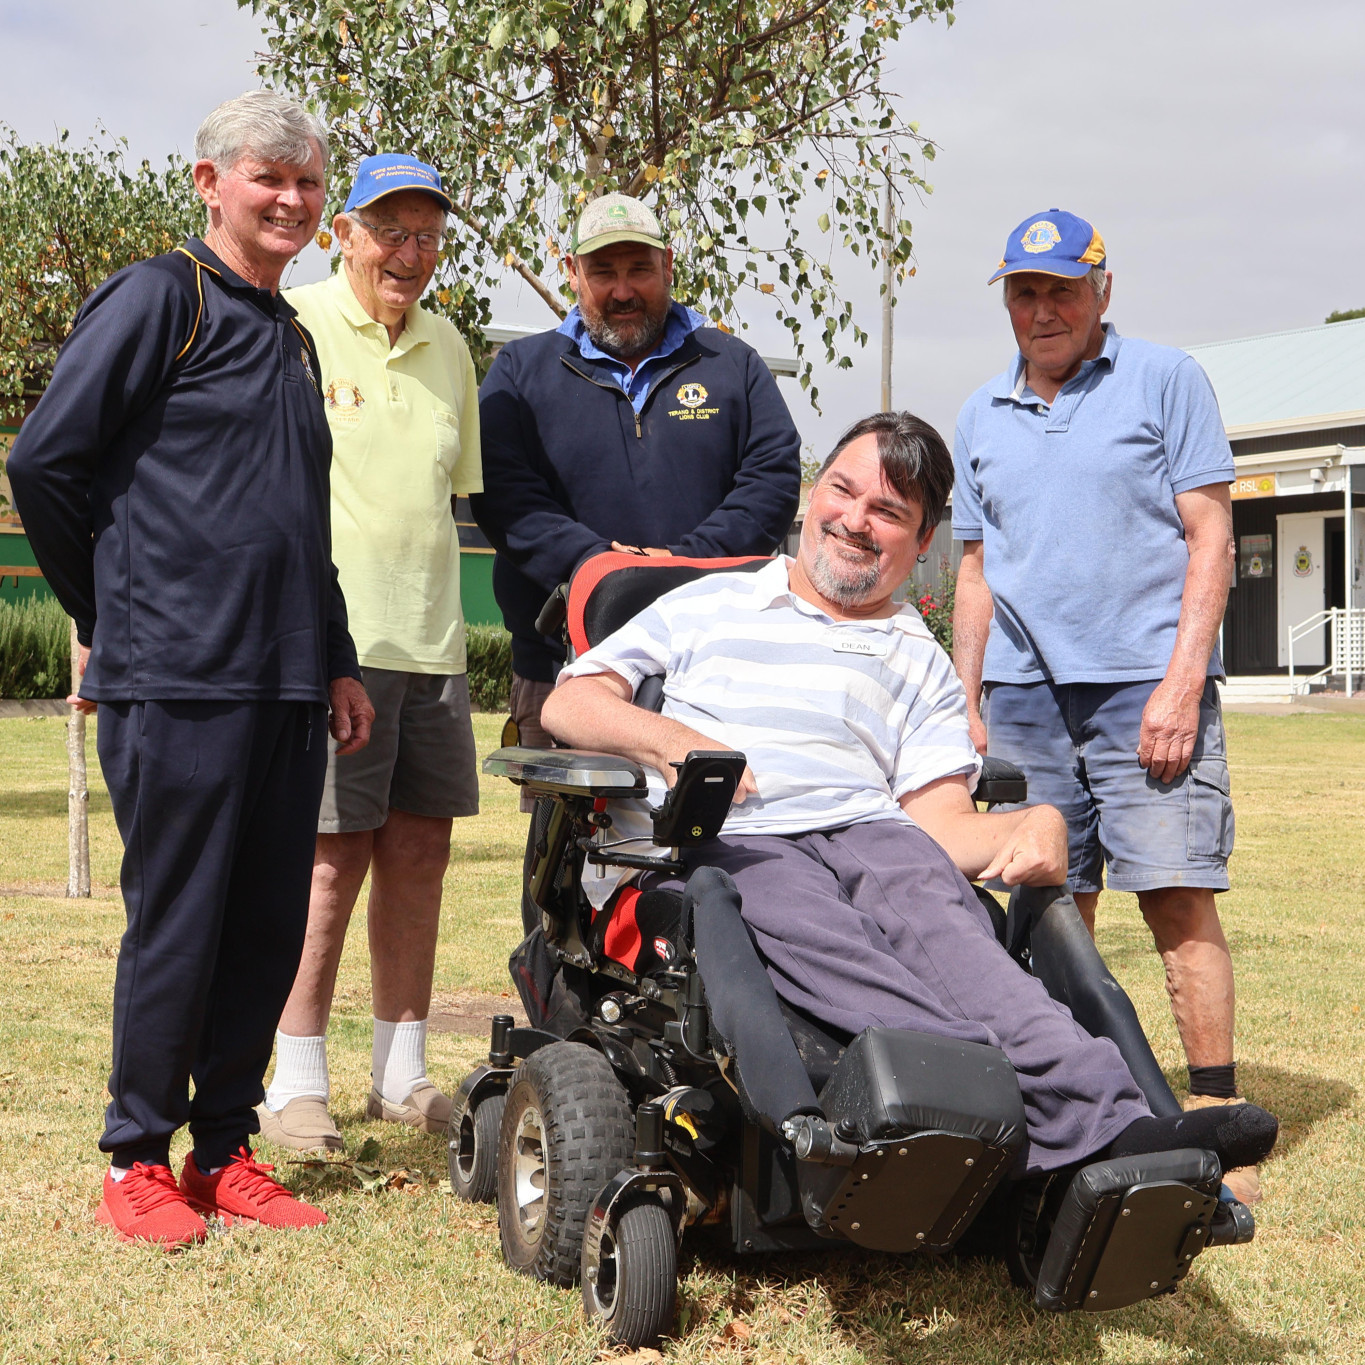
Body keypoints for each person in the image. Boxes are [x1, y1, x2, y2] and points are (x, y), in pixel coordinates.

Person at [542, 412, 1277, 1180]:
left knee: (972, 952)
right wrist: (673, 740)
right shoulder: (709, 603)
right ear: (812, 493)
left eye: (888, 512)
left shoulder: (917, 657)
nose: (856, 522)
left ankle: (1122, 1126)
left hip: (876, 831)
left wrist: (1039, 822)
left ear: (921, 542)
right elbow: (569, 705)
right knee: (847, 951)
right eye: (844, 491)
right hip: (741, 836)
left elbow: (942, 824)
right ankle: (994, 1113)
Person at [7, 91, 374, 1246]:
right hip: (177, 678)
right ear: (209, 183)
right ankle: (134, 1156)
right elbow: (44, 467)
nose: (292, 199)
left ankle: (222, 1148)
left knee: (265, 924)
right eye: (269, 176)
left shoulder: (293, 333)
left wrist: (338, 661)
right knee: (178, 920)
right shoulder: (160, 298)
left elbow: (298, 525)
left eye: (309, 182)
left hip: (282, 683)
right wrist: (110, 615)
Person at [950, 209, 1252, 1134]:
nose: (1042, 310)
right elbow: (974, 572)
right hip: (1025, 698)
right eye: (1023, 291)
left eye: (1061, 290)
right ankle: (1072, 1106)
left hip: (1143, 690)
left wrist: (1182, 683)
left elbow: (1212, 538)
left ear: (1102, 292)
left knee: (1175, 895)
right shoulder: (977, 414)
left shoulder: (1166, 380)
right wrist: (966, 698)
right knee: (1047, 904)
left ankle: (1214, 1105)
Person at [254, 154, 483, 1153]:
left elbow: (450, 501)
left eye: (427, 235)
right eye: (390, 230)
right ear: (339, 233)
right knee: (328, 863)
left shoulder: (451, 350)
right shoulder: (294, 326)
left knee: (420, 856)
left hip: (433, 645)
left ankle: (402, 1073)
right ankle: (292, 1080)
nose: (409, 253)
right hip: (333, 649)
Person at [473, 192, 801, 748]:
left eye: (640, 270)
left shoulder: (734, 366)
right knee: (567, 834)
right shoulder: (519, 371)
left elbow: (771, 482)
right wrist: (602, 566)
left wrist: (679, 562)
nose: (623, 291)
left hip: (711, 665)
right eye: (603, 271)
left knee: (714, 829)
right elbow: (503, 494)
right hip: (562, 664)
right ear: (573, 273)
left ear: (668, 265)